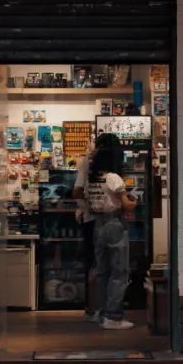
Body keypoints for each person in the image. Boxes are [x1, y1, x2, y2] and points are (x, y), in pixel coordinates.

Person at [86, 133, 137, 330]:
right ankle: (113, 317)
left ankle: (101, 313)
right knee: (119, 273)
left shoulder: (93, 177)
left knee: (103, 272)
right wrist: (133, 201)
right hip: (114, 224)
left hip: (97, 225)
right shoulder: (113, 178)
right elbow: (126, 204)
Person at [72, 138, 98, 322]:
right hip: (94, 221)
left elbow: (77, 191)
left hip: (91, 220)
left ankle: (94, 307)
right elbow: (77, 191)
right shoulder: (88, 162)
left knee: (95, 264)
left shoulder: (87, 162)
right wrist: (88, 206)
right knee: (97, 264)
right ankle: (94, 307)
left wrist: (84, 207)